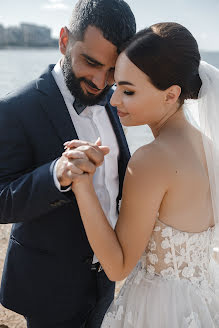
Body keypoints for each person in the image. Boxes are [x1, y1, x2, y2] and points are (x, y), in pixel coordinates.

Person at [64, 22, 219, 327]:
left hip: (158, 309)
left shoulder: (150, 161)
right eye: (117, 85)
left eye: (128, 91)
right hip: (204, 298)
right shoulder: (209, 146)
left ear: (170, 94)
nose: (114, 100)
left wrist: (82, 183)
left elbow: (118, 267)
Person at [0, 1, 136, 327]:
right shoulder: (15, 110)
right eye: (91, 62)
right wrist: (56, 175)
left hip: (106, 282)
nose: (102, 82)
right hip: (48, 288)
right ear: (64, 40)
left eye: (113, 70)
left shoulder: (116, 101)